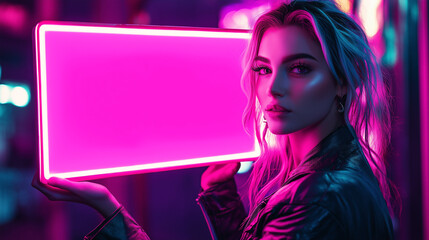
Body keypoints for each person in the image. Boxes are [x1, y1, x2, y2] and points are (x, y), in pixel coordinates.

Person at [33, 0, 398, 239]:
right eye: (263, 69)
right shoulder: (327, 174)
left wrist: (110, 212)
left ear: (342, 83)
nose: (274, 87)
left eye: (299, 68)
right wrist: (220, 193)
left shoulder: (317, 198)